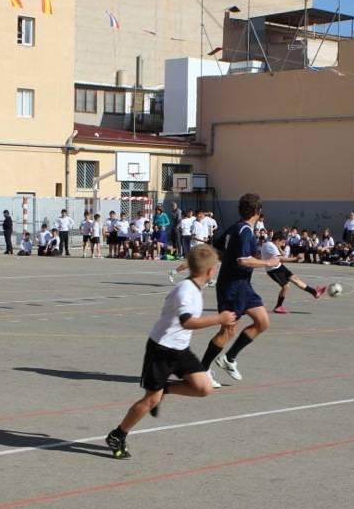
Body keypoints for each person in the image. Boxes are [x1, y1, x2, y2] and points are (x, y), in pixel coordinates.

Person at [103, 244, 235, 459]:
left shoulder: (194, 287)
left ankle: (165, 389)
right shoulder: (186, 291)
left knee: (204, 387)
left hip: (180, 349)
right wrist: (219, 319)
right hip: (161, 349)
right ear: (211, 270)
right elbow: (187, 322)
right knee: (150, 400)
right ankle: (118, 434)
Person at [201, 193, 280, 386]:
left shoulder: (235, 228)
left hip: (243, 286)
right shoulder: (244, 231)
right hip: (232, 287)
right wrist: (268, 262)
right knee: (228, 330)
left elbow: (217, 249)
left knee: (262, 322)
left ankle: (229, 358)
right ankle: (201, 370)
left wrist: (226, 260)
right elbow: (243, 260)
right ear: (258, 212)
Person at [261, 230, 326, 313]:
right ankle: (278, 306)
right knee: (286, 286)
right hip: (273, 270)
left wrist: (279, 248)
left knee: (295, 279)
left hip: (279, 266)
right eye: (282, 242)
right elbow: (282, 259)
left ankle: (314, 292)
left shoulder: (273, 245)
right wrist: (296, 258)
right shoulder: (270, 246)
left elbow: (282, 256)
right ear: (277, 240)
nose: (283, 244)